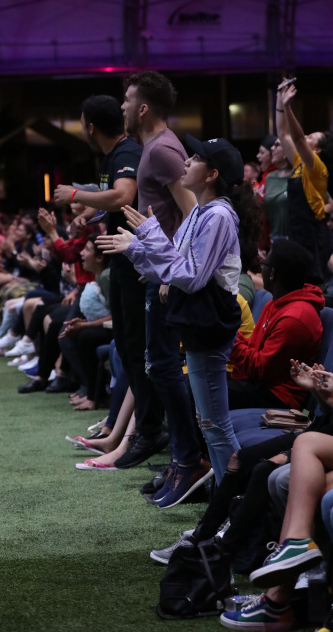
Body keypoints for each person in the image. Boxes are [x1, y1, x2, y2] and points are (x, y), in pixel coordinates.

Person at [219, 289, 333, 632]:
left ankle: (296, 594)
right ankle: (288, 564)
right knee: (290, 459)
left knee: (292, 479)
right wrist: (325, 393)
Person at [98, 135, 248, 484]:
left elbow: (190, 276)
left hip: (209, 323)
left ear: (211, 174)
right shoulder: (200, 212)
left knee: (215, 425)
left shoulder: (219, 215)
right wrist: (136, 247)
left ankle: (234, 499)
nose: (186, 161)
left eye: (195, 158)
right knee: (209, 424)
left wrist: (149, 235)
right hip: (198, 322)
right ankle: (225, 496)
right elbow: (171, 268)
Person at [54, 95, 168, 466]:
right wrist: (88, 213)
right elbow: (114, 200)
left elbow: (123, 195)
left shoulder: (126, 153)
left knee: (136, 350)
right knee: (128, 349)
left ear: (90, 127)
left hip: (136, 264)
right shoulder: (113, 156)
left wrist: (75, 195)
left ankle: (146, 433)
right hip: (123, 262)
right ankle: (130, 433)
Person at [121, 71, 204, 503]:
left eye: (126, 99)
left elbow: (194, 212)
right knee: (160, 367)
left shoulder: (163, 150)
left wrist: (174, 270)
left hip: (171, 281)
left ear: (143, 108)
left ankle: (189, 460)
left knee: (164, 368)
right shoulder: (153, 147)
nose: (122, 106)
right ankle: (182, 458)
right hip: (161, 276)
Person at [227, 239, 324, 410]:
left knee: (200, 390)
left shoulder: (295, 318)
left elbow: (260, 369)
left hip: (278, 398)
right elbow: (255, 351)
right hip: (260, 383)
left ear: (272, 273)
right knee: (200, 381)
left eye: (264, 264)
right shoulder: (277, 302)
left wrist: (228, 338)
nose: (261, 268)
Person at [275, 78, 333, 284]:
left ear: (317, 150)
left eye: (311, 137)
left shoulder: (318, 169)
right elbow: (283, 133)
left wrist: (288, 107)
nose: (305, 136)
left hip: (313, 238)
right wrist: (280, 98)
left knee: (309, 289)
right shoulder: (299, 163)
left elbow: (297, 139)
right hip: (297, 234)